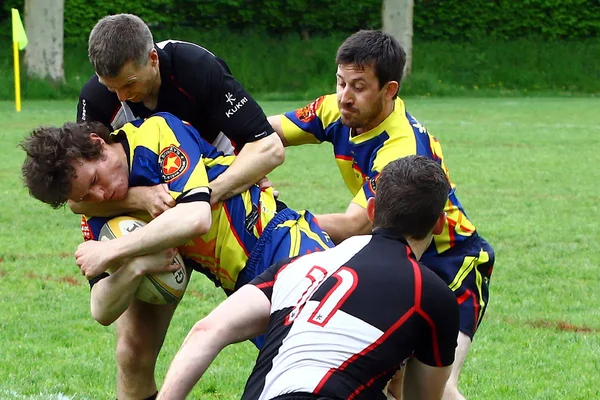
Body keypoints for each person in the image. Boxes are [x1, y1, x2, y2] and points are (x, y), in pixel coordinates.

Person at [20, 112, 333, 400]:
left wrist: (115, 250)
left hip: (285, 242)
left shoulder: (157, 132)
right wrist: (136, 267)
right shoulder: (102, 211)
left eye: (93, 182)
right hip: (245, 286)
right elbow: (101, 308)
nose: (100, 197)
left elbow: (195, 217)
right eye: (85, 198)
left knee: (339, 361)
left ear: (97, 144)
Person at [267, 30, 494, 400]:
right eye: (340, 82)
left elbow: (355, 224)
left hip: (451, 260)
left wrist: (276, 223)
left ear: (389, 90)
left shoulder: (400, 147)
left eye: (358, 86)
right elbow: (263, 133)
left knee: (436, 387)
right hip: (395, 255)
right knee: (391, 379)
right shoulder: (335, 108)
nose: (344, 96)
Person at [156, 155, 460, 400]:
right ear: (438, 224)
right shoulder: (430, 294)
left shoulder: (295, 266)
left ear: (371, 209)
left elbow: (206, 331)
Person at [73, 13, 284, 218]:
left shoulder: (195, 67)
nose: (121, 97)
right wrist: (140, 198)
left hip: (216, 167)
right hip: (153, 189)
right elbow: (77, 198)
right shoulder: (95, 99)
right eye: (110, 87)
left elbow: (269, 147)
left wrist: (200, 198)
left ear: (153, 59)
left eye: (129, 84)